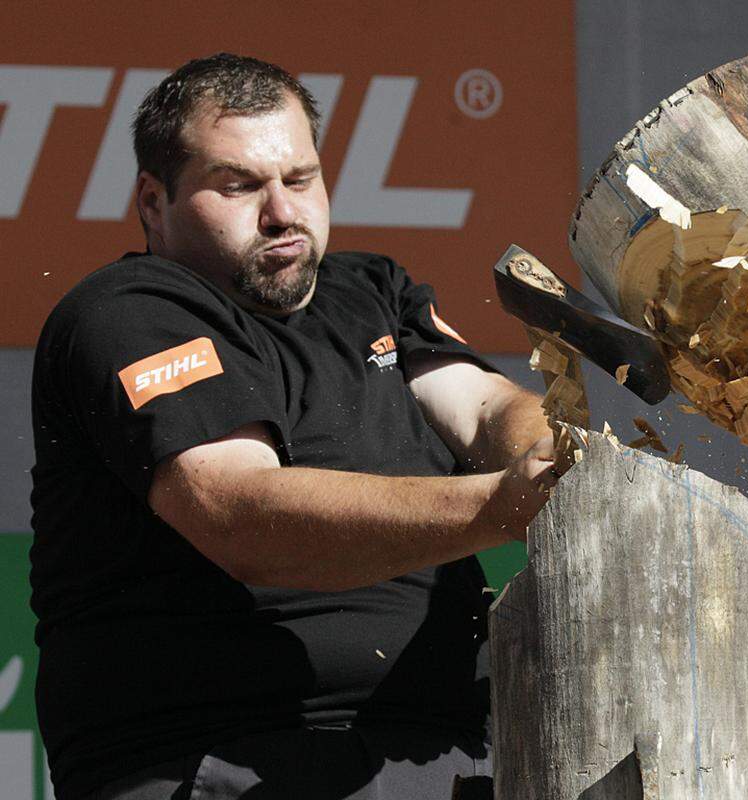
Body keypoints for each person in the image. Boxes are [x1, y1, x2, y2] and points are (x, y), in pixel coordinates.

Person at [29, 53, 562, 800]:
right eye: (240, 185)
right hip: (228, 760)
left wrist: (550, 456)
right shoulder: (127, 309)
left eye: (300, 180)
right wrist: (498, 505)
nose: (282, 214)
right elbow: (240, 514)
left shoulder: (373, 290)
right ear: (154, 202)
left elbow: (482, 405)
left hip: (448, 752)